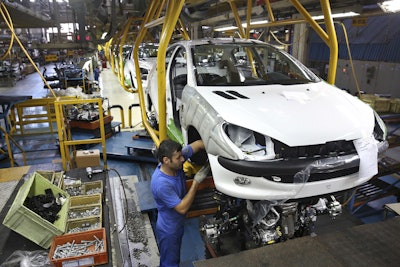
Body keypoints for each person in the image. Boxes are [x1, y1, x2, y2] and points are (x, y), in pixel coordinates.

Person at [151, 139, 210, 267]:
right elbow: (182, 208)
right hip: (169, 229)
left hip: (177, 223)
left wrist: (214, 150)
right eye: (179, 158)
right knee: (170, 263)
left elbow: (199, 144)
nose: (183, 159)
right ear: (166, 160)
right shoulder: (161, 183)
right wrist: (196, 182)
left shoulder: (175, 159)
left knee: (170, 259)